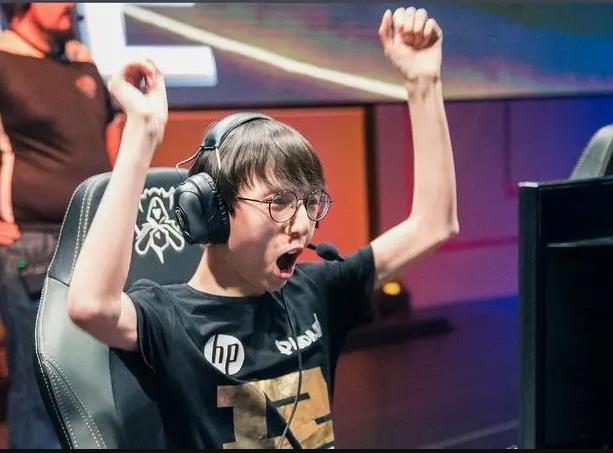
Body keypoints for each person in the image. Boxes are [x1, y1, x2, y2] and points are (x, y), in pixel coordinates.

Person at [68, 6, 458, 448]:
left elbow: (434, 224)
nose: (302, 225)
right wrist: (142, 133)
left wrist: (423, 81)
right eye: (279, 203)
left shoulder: (315, 293)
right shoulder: (170, 319)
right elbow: (90, 306)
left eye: (309, 203)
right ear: (212, 212)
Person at [0, 2, 123, 448]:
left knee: (100, 378)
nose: (70, 4)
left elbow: (111, 125)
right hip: (33, 242)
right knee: (40, 384)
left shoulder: (81, 60)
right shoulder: (3, 60)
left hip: (95, 238)